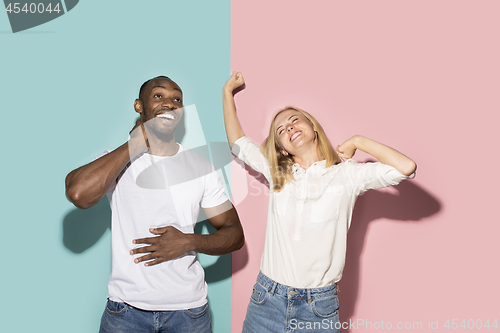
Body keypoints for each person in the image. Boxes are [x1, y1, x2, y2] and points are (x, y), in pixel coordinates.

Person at [222, 72, 416, 333]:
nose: (289, 128)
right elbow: (238, 143)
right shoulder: (278, 172)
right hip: (266, 299)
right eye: (281, 130)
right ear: (282, 149)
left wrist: (358, 140)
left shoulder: (348, 175)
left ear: (313, 127)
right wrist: (227, 93)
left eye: (294, 121)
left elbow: (405, 167)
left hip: (318, 307)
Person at [65, 76, 244, 333]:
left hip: (189, 314)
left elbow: (234, 233)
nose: (169, 103)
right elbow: (78, 193)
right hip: (125, 312)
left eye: (177, 99)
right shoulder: (115, 162)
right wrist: (136, 144)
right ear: (139, 105)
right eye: (158, 96)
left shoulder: (200, 167)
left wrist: (190, 241)